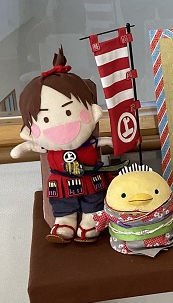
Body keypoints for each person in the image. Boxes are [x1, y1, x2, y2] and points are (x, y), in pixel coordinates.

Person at [11, 47, 114, 243]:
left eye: (69, 112)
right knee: (62, 201)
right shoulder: (47, 147)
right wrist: (23, 146)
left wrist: (114, 142)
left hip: (90, 177)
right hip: (61, 181)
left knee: (93, 198)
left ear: (93, 113)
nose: (60, 126)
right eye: (45, 119)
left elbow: (101, 141)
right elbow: (31, 147)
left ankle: (92, 219)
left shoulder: (88, 143)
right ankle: (65, 221)